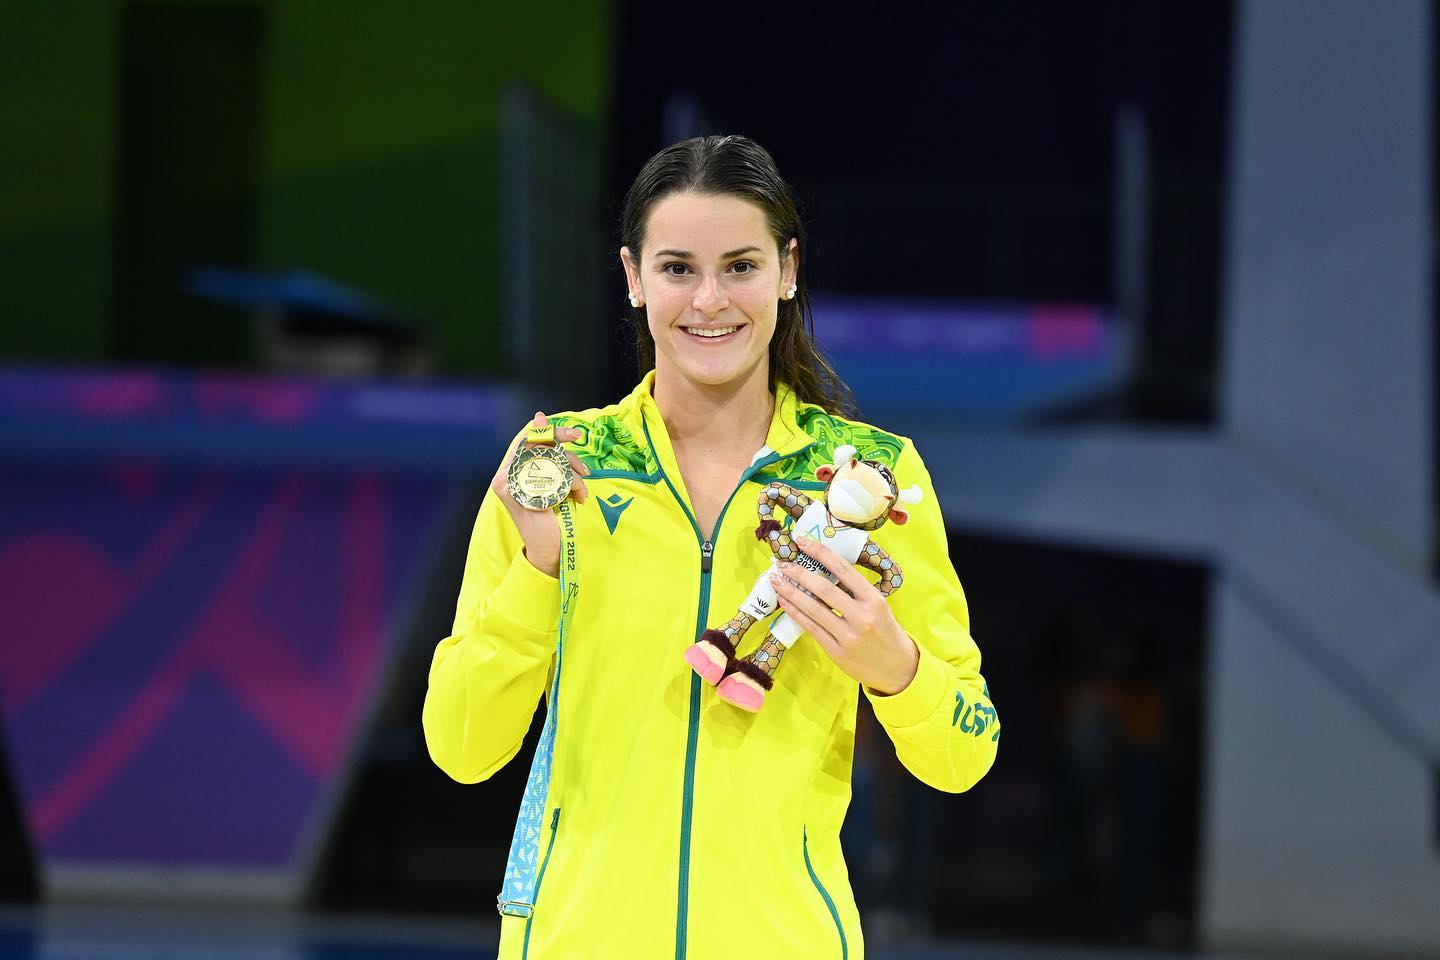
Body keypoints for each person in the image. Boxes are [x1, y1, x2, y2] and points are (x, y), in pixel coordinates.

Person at [422, 134, 1000, 960]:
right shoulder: (556, 463)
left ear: (787, 271)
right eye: (677, 268)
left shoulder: (872, 480)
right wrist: (540, 568)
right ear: (632, 278)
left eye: (740, 266)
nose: (709, 301)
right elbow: (462, 746)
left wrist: (893, 664)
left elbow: (965, 753)